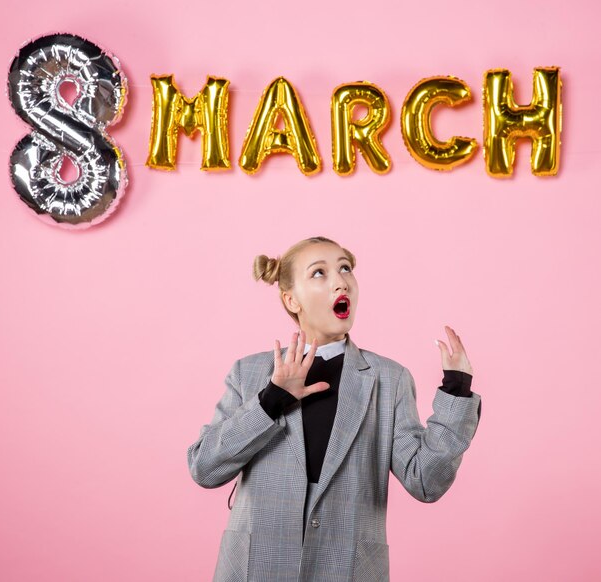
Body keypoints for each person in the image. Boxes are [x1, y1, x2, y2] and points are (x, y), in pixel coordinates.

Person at [187, 236, 482, 582]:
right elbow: (204, 468)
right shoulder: (248, 373)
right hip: (256, 568)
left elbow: (426, 481)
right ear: (291, 299)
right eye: (319, 273)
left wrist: (456, 391)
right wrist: (270, 401)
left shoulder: (388, 379)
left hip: (347, 570)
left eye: (345, 268)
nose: (341, 280)